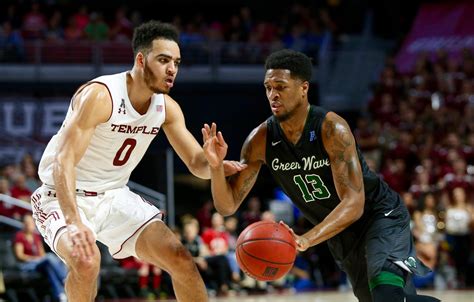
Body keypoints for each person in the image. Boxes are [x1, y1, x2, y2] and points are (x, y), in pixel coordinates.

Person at [202, 49, 440, 302]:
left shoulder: (331, 128)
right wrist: (216, 170)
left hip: (380, 216)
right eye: (268, 87)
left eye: (280, 86)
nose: (273, 94)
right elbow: (227, 206)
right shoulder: (260, 140)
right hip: (341, 234)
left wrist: (305, 239)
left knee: (386, 296)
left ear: (303, 88)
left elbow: (354, 203)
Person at [31, 20, 244, 302]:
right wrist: (74, 221)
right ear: (141, 60)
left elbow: (196, 164)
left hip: (114, 195)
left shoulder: (167, 108)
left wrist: (215, 165)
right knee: (86, 261)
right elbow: (64, 160)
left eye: (177, 63)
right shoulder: (101, 95)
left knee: (180, 259)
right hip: (62, 196)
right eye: (164, 60)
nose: (172, 70)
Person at [13, 214, 67, 302]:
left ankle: (60, 295)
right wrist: (35, 259)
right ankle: (64, 279)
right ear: (23, 224)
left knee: (49, 266)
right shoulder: (19, 236)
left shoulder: (36, 236)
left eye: (31, 222)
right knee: (49, 257)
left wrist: (39, 259)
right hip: (26, 264)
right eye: (27, 223)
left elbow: (42, 254)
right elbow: (20, 256)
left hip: (38, 263)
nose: (30, 225)